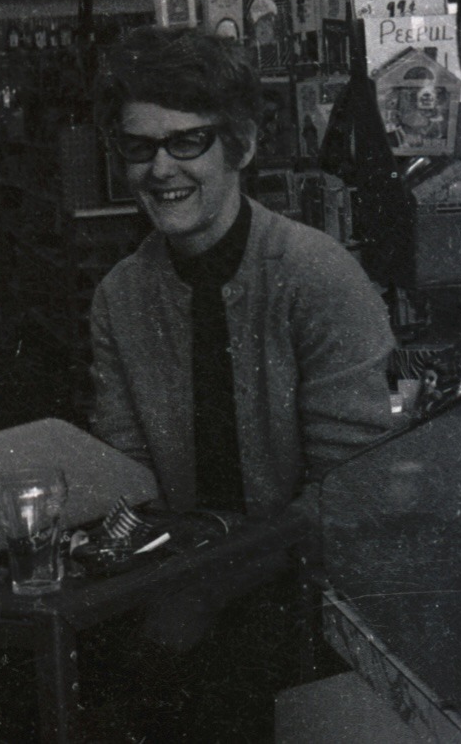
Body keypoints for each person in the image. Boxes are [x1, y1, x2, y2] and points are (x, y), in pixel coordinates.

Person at [89, 25, 395, 523]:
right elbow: (127, 474)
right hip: (182, 580)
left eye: (187, 142)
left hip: (305, 580)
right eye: (139, 147)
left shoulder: (316, 273)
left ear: (242, 146)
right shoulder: (120, 295)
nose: (161, 169)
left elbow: (351, 480)